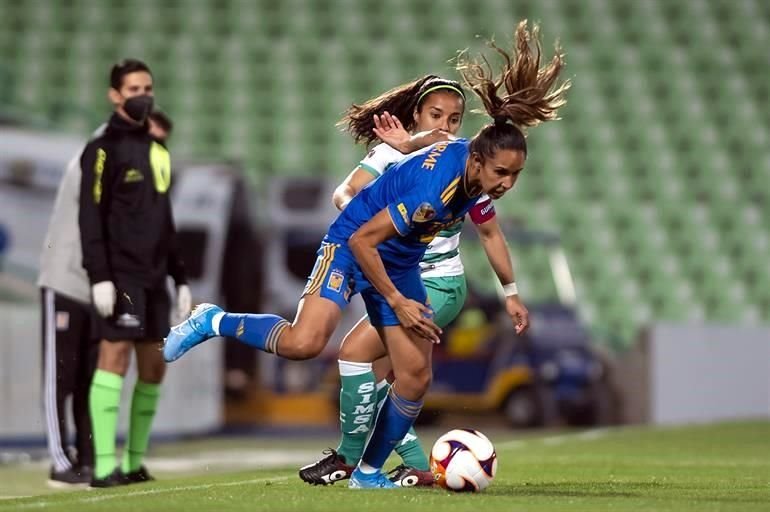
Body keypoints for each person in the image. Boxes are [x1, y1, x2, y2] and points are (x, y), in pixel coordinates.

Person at [164, 19, 568, 489]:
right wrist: (396, 302)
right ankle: (210, 320)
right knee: (304, 344)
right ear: (478, 161)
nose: (506, 185)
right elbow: (362, 240)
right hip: (352, 244)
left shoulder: (468, 159)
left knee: (415, 377)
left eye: (515, 176)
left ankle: (368, 473)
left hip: (399, 260)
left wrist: (510, 292)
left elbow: (438, 142)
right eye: (502, 173)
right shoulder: (432, 194)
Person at [298, 75, 515, 487]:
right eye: (436, 116)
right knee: (393, 378)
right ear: (416, 116)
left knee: (367, 361)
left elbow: (489, 232)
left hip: (436, 281)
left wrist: (510, 291)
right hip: (387, 270)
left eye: (454, 118)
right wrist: (368, 217)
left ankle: (352, 460)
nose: (447, 126)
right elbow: (346, 194)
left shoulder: (468, 161)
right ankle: (403, 463)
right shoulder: (389, 156)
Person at [38, 105, 176, 488]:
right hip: (66, 280)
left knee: (90, 374)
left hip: (105, 285)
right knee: (60, 377)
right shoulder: (100, 153)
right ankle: (59, 459)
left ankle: (88, 457)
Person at [79, 59, 190, 487]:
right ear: (115, 95)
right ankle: (104, 466)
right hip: (120, 273)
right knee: (114, 357)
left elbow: (165, 219)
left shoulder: (156, 149)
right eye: (133, 88)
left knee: (154, 367)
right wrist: (100, 276)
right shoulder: (102, 148)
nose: (143, 94)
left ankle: (133, 462)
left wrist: (178, 277)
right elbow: (90, 216)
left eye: (148, 87)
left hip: (155, 276)